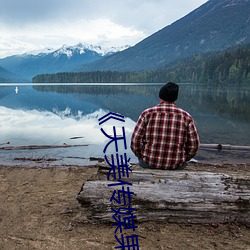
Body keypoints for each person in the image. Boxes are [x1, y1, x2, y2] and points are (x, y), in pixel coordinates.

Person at [130, 82, 200, 170]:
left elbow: (135, 142)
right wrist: (184, 158)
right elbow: (194, 145)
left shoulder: (147, 114)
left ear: (160, 96)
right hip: (176, 165)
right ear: (175, 98)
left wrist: (141, 156)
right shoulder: (186, 116)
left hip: (149, 162)